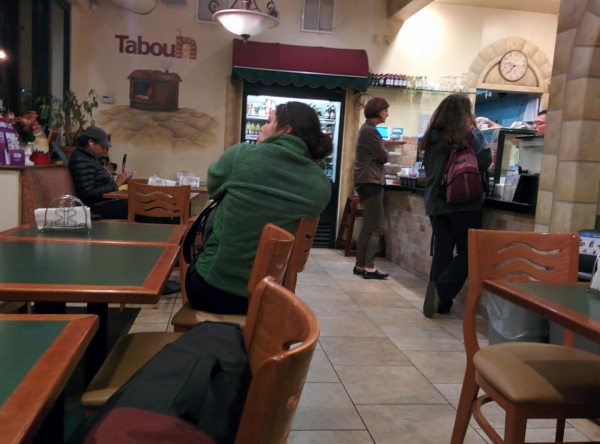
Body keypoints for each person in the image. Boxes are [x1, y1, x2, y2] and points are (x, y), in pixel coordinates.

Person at [186, 101, 332, 314]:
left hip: (211, 290)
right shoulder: (321, 184)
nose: (263, 127)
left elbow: (214, 189)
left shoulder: (241, 155)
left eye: (269, 121)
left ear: (286, 129)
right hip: (271, 296)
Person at [420, 93, 492, 317]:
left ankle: (440, 303)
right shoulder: (470, 134)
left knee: (442, 250)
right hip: (463, 201)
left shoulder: (431, 137)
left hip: (435, 201)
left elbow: (428, 169)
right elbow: (485, 161)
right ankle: (441, 292)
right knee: (469, 252)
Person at [352, 97, 390, 280]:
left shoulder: (365, 129)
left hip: (364, 181)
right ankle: (369, 267)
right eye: (385, 110)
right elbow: (384, 156)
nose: (387, 114)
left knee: (368, 226)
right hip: (372, 181)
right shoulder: (371, 131)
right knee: (376, 227)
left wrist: (378, 155)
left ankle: (360, 265)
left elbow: (380, 155)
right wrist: (380, 155)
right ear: (377, 111)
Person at [68, 126, 133, 219]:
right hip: (96, 208)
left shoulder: (89, 157)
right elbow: (89, 193)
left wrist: (121, 181)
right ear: (91, 143)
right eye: (103, 147)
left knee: (141, 204)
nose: (105, 151)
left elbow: (99, 183)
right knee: (140, 207)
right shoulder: (81, 160)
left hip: (104, 203)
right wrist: (116, 184)